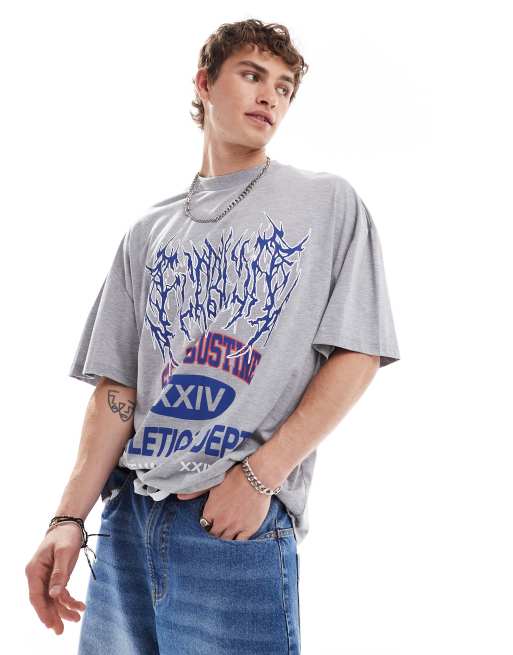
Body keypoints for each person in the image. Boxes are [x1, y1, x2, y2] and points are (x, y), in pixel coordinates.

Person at [25, 18, 400, 655]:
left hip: (229, 522)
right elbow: (118, 392)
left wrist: (259, 478)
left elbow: (359, 351)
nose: (270, 97)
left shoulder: (326, 202)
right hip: (128, 521)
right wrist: (66, 519)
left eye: (284, 87)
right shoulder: (148, 231)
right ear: (204, 84)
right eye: (252, 76)